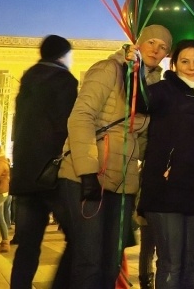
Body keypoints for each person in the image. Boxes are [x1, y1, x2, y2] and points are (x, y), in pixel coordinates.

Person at [59, 24, 171, 289]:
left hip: (122, 181)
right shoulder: (109, 69)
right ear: (139, 42)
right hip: (86, 176)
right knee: (89, 259)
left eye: (163, 46)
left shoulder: (153, 86)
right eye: (152, 42)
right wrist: (87, 172)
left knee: (110, 262)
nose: (156, 49)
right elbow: (81, 117)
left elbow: (143, 141)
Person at [139, 39, 194, 289]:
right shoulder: (165, 90)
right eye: (184, 61)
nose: (191, 66)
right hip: (166, 191)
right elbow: (140, 100)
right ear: (174, 64)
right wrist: (134, 69)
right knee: (171, 262)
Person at [10, 34, 78, 289]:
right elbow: (67, 124)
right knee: (78, 236)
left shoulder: (27, 80)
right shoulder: (64, 81)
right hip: (52, 174)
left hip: (25, 177)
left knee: (28, 245)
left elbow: (19, 128)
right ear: (63, 55)